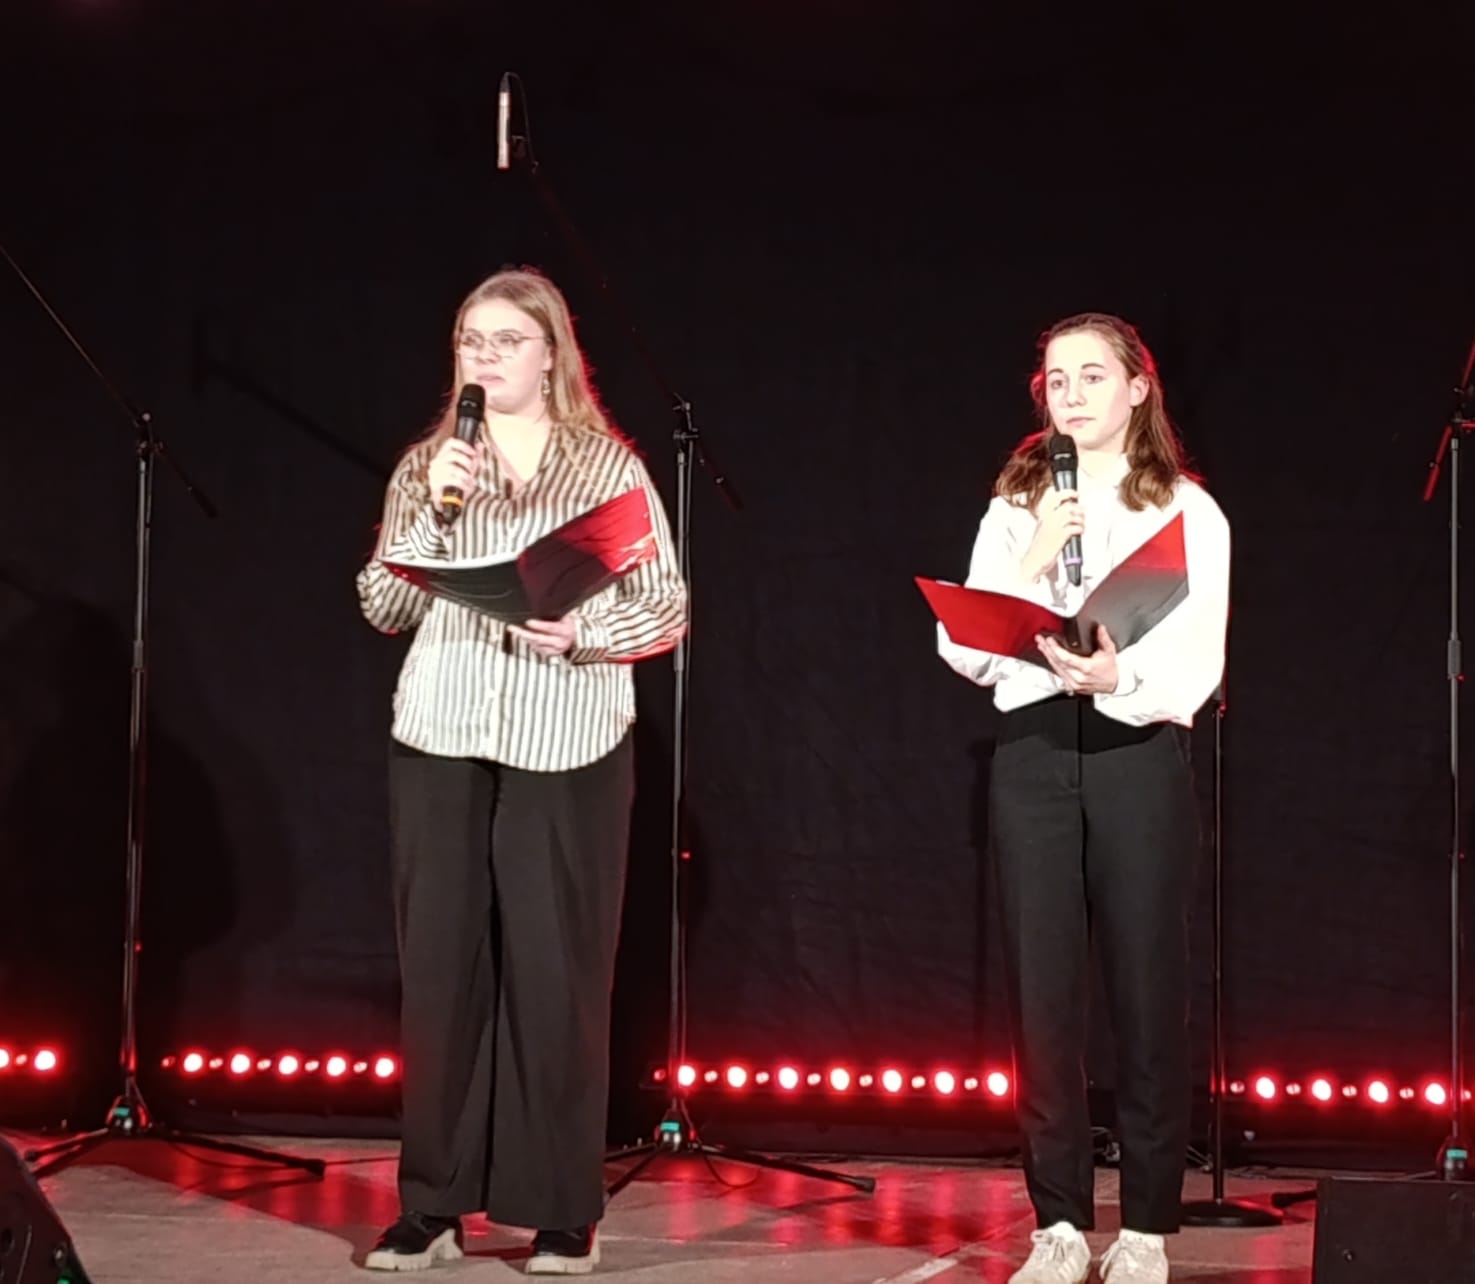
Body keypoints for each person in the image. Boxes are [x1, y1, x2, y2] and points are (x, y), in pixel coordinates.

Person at [356, 267, 687, 1275]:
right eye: (472, 341)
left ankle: (558, 1208)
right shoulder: (429, 466)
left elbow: (665, 606)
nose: (486, 356)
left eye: (507, 340)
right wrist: (431, 519)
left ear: (551, 356)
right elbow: (383, 604)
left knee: (555, 973)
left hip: (566, 734)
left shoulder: (606, 467)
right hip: (443, 730)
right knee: (441, 972)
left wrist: (584, 633)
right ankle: (432, 1205)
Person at [937, 313, 1230, 1284]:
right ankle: (1057, 1223)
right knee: (1043, 998)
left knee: (1146, 991)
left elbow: (1196, 661)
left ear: (1138, 388)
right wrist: (1031, 558)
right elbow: (962, 648)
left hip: (1133, 749)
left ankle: (1143, 1228)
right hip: (1030, 753)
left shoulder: (1185, 510)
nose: (1070, 394)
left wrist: (1118, 680)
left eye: (1091, 375)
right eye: (1055, 379)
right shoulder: (1017, 504)